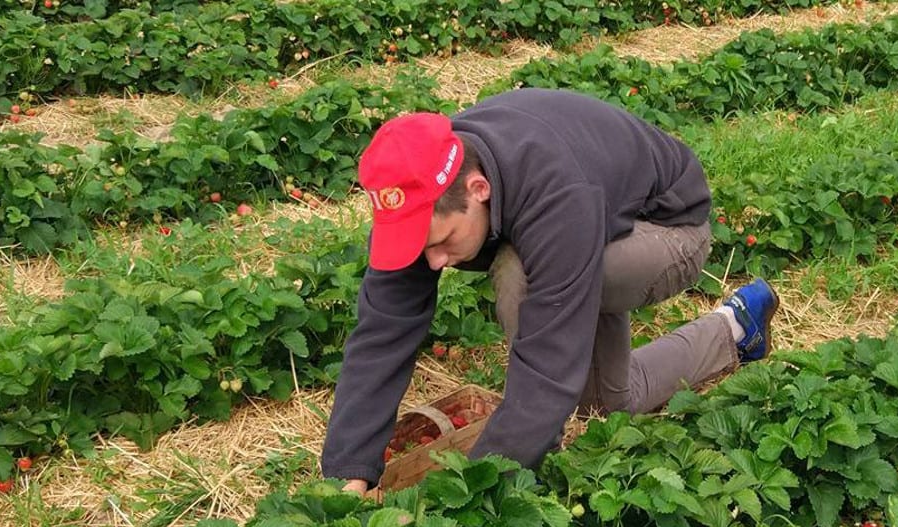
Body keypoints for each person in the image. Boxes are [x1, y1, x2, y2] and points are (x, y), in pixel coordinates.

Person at [321, 88, 780, 493]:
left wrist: (480, 485)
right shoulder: (425, 186)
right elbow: (382, 331)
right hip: (593, 222)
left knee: (517, 273)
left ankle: (543, 455)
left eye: (442, 243)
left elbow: (546, 370)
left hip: (667, 229)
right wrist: (348, 471)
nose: (434, 262)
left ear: (477, 189)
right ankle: (735, 328)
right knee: (606, 401)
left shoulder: (554, 191)